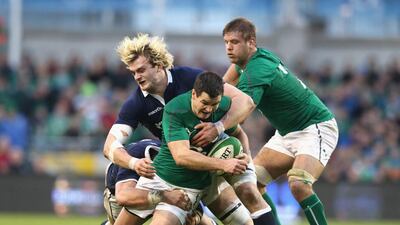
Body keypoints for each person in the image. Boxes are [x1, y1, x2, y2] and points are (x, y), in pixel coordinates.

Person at [103, 33, 255, 225]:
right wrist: (134, 163)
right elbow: (109, 146)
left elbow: (242, 103)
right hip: (177, 170)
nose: (137, 77)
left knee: (245, 210)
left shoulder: (190, 78)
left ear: (158, 65)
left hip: (212, 161)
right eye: (133, 72)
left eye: (141, 70)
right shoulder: (136, 103)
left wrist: (219, 129)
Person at [222, 17, 339, 225]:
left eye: (235, 42)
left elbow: (244, 107)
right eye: (226, 42)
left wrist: (216, 128)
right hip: (287, 133)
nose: (229, 48)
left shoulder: (256, 70)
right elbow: (221, 87)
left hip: (315, 127)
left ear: (251, 42)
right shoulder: (248, 62)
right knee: (250, 184)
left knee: (299, 184)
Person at [102, 139, 210, 225]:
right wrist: (164, 196)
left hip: (162, 190)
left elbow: (190, 195)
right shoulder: (136, 153)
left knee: (201, 220)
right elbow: (123, 197)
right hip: (117, 192)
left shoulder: (177, 165)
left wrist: (197, 216)